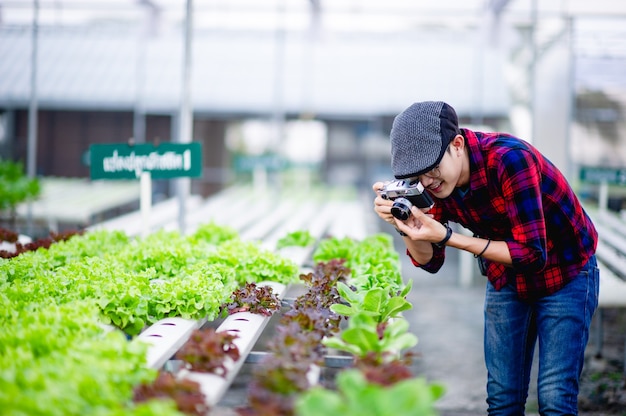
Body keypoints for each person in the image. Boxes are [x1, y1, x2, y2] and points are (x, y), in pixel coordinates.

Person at [372, 101, 599, 416]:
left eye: (432, 167)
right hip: (506, 274)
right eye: (416, 176)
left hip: (566, 271)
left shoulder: (509, 160)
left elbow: (533, 254)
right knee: (503, 398)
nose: (427, 182)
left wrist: (450, 238)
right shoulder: (435, 186)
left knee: (554, 398)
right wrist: (406, 227)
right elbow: (430, 261)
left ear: (457, 144)